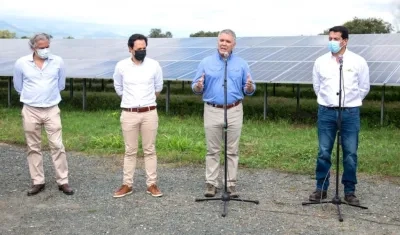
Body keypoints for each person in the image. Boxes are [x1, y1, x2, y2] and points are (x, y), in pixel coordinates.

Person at [191, 29, 256, 198]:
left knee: (232, 150)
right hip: (212, 109)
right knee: (212, 149)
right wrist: (198, 86)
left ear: (233, 44)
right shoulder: (206, 62)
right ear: (217, 42)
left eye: (227, 41)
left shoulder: (241, 63)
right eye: (221, 40)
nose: (223, 44)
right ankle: (211, 183)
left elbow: (249, 87)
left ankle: (230, 184)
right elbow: (195, 86)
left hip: (234, 110)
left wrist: (249, 88)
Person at [310, 26, 370, 205]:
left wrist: (350, 102)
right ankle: (321, 188)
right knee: (324, 152)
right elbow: (317, 86)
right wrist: (328, 101)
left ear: (345, 41)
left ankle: (349, 191)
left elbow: (364, 87)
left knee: (350, 153)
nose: (332, 42)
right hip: (326, 112)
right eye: (330, 39)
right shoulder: (320, 61)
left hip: (350, 113)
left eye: (336, 39)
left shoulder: (358, 61)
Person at [13, 33, 74, 196]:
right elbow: (18, 86)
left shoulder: (58, 62)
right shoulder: (21, 63)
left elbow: (61, 84)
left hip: (52, 109)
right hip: (31, 109)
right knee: (33, 146)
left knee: (57, 145)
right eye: (42, 48)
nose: (45, 50)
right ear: (33, 47)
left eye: (47, 46)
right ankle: (38, 181)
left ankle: (63, 181)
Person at [112, 33, 164, 198]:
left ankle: (152, 184)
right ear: (130, 49)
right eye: (138, 49)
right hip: (129, 113)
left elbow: (158, 87)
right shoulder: (121, 66)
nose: (142, 51)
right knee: (130, 150)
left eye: (144, 48)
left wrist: (146, 103)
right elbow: (119, 87)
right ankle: (127, 184)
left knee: (150, 149)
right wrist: (131, 102)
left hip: (149, 112)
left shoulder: (154, 65)